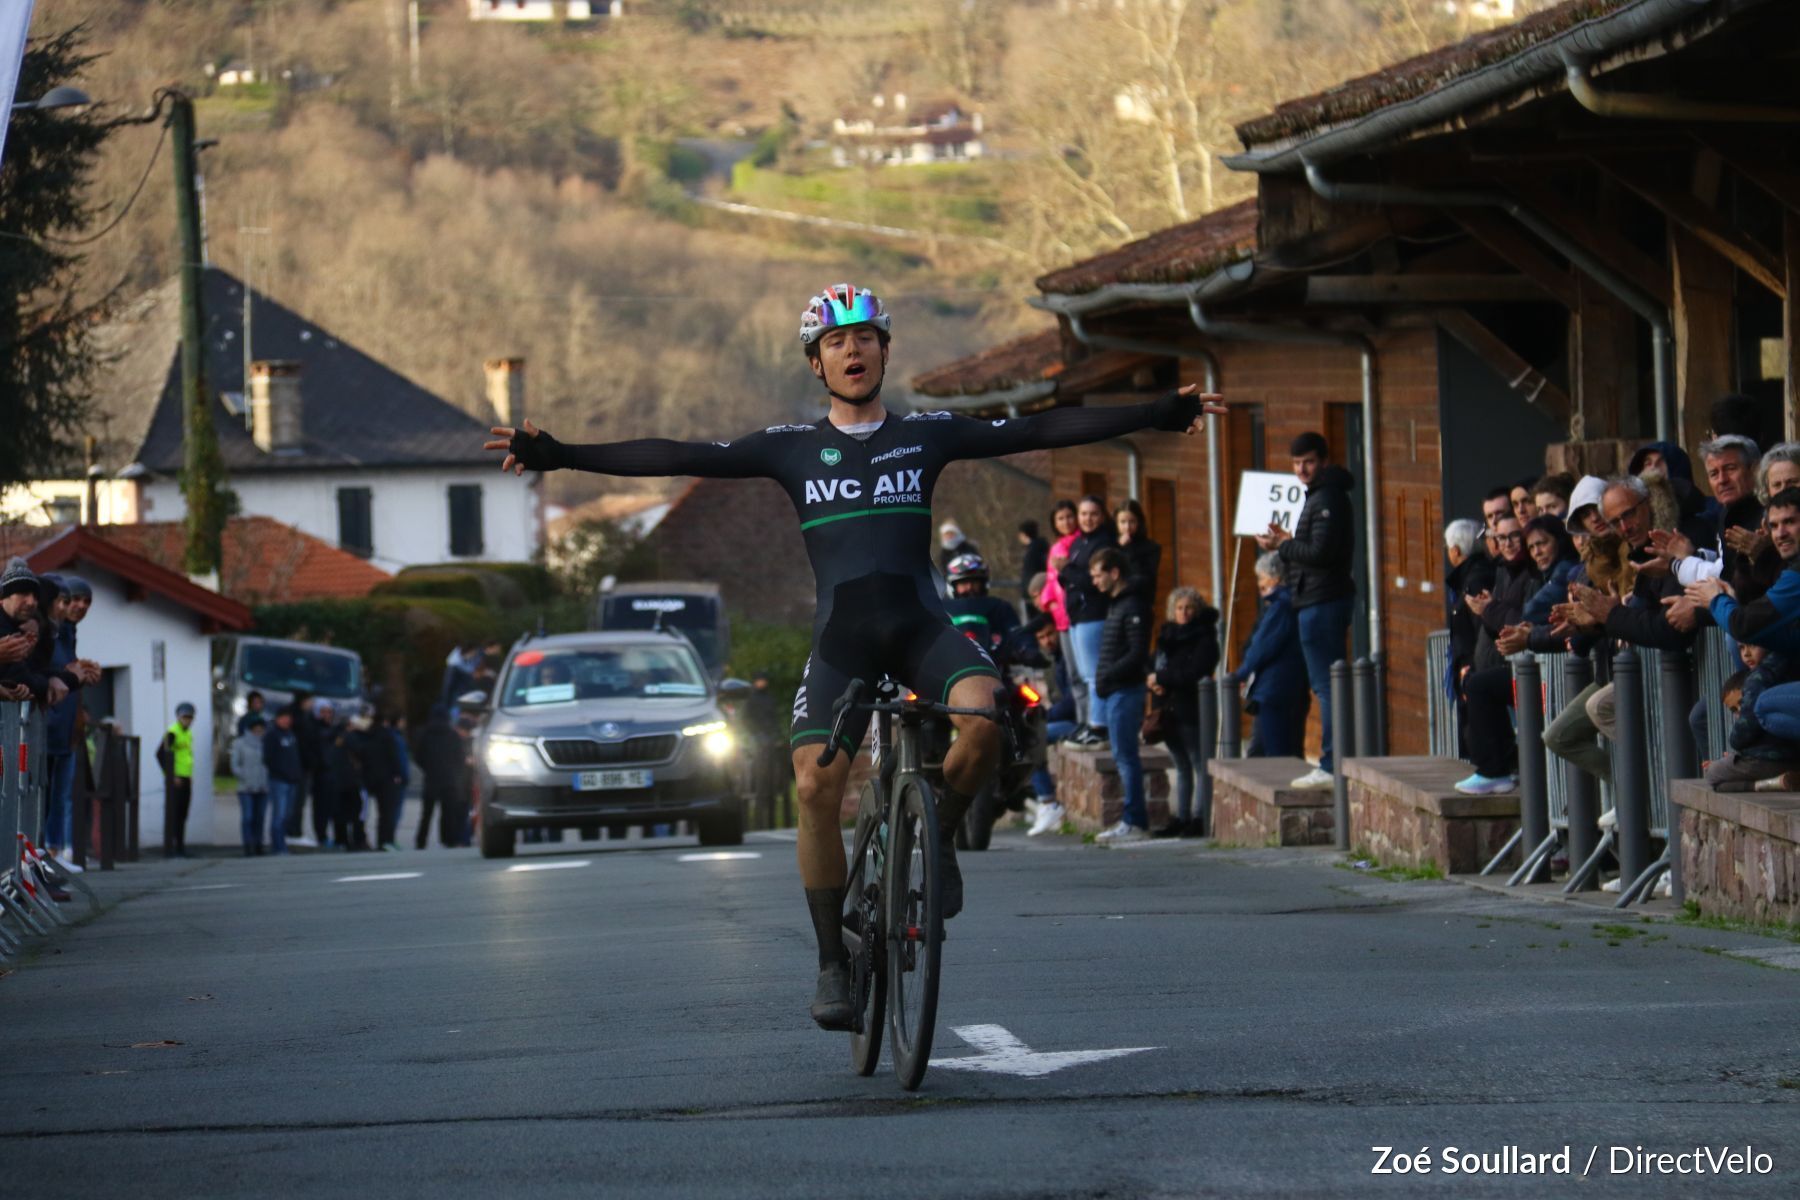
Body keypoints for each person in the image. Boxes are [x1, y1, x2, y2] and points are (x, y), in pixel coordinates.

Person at [485, 281, 1222, 1029]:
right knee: (813, 784)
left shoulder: (929, 434)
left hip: (922, 628)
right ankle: (832, 962)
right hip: (843, 637)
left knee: (987, 717)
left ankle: (940, 831)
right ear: (817, 363)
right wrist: (561, 454)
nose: (852, 349)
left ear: (885, 349)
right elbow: (675, 453)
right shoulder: (791, 449)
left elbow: (1042, 427)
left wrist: (1161, 411)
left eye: (865, 336)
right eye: (835, 342)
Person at [1256, 432, 1354, 789]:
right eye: (1297, 463)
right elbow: (1311, 548)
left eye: (1308, 462)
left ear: (1323, 460)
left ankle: (1330, 762)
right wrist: (1283, 543)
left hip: (1322, 600)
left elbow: (1320, 554)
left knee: (1326, 686)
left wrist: (1284, 544)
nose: (1302, 469)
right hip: (1315, 599)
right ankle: (1334, 760)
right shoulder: (1320, 496)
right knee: (1327, 685)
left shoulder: (1327, 497)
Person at [1148, 587, 1219, 838]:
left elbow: (1193, 672)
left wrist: (1161, 677)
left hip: (1191, 709)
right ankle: (1182, 816)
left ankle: (1200, 816)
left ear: (1197, 610)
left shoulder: (1205, 638)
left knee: (1199, 763)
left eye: (1189, 607)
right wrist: (1152, 679)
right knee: (1181, 765)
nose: (1184, 613)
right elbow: (1154, 663)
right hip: (1166, 710)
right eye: (1179, 608)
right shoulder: (1167, 636)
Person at [1229, 554, 1309, 758]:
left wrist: (1241, 674)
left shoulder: (1281, 606)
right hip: (1291, 685)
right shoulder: (1293, 602)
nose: (1259, 583)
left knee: (1277, 752)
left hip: (1276, 687)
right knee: (1286, 749)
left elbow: (1262, 645)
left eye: (1261, 577)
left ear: (1274, 578)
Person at [1059, 494, 1117, 744]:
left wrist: (1066, 570)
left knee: (1094, 675)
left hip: (1093, 614)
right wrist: (1068, 573)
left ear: (1102, 516)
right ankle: (1088, 722)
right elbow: (1069, 579)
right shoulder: (1078, 543)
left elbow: (1092, 583)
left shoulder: (1103, 544)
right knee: (1083, 675)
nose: (1088, 519)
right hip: (1075, 615)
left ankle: (1099, 725)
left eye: (1093, 514)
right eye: (1084, 514)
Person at [1025, 622, 1075, 837]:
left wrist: (1047, 714)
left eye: (1050, 634)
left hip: (1076, 721)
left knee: (1033, 739)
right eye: (1042, 637)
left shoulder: (1068, 656)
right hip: (1066, 717)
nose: (1048, 640)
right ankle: (1041, 798)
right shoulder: (1050, 660)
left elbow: (1074, 701)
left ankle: (1047, 801)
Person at [1038, 499, 1080, 720]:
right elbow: (1050, 581)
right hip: (1060, 618)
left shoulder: (1079, 543)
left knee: (1083, 674)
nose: (1066, 522)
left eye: (1069, 516)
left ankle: (1087, 719)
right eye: (1061, 518)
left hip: (1078, 615)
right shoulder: (1055, 547)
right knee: (1072, 674)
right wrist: (1047, 601)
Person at [416, 703, 470, 849]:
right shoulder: (453, 735)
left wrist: (428, 768)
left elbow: (418, 756)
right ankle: (448, 840)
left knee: (426, 814)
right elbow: (460, 757)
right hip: (449, 779)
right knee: (448, 813)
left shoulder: (425, 734)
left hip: (431, 779)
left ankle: (421, 841)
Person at [942, 553, 1019, 655]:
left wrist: (1025, 649)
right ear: (953, 586)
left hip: (995, 666)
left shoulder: (999, 607)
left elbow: (1017, 634)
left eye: (975, 583)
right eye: (963, 583)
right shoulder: (940, 610)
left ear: (983, 584)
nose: (969, 588)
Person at [263, 706, 304, 855]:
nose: (288, 720)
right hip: (279, 780)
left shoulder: (291, 735)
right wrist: (281, 772)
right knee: (279, 815)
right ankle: (277, 846)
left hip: (292, 780)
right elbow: (268, 759)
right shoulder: (272, 735)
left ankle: (283, 844)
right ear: (279, 718)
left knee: (288, 814)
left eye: (289, 717)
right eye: (285, 717)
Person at [159, 702, 198, 858]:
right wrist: (171, 776)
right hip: (176, 780)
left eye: (190, 717)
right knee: (174, 814)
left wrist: (189, 775)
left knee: (183, 814)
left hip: (185, 778)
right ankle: (172, 848)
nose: (187, 720)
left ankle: (181, 847)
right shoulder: (172, 733)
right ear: (178, 717)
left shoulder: (187, 733)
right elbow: (160, 754)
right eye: (184, 717)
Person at [231, 714, 272, 856]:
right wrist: (245, 778)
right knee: (248, 817)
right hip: (246, 787)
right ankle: (248, 845)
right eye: (256, 728)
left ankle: (258, 844)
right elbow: (235, 765)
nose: (259, 731)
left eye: (261, 728)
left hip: (263, 787)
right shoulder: (240, 743)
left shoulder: (266, 743)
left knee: (260, 817)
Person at [1113, 499, 1162, 606]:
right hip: (1113, 603)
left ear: (1139, 522)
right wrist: (1118, 547)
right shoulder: (1111, 545)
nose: (1127, 527)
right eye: (1123, 522)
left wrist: (1127, 548)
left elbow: (1144, 577)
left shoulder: (1151, 548)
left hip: (1139, 602)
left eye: (1132, 521)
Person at [1017, 519, 1049, 617]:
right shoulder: (1041, 548)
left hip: (1035, 595)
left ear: (1023, 534)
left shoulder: (1032, 552)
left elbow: (1030, 573)